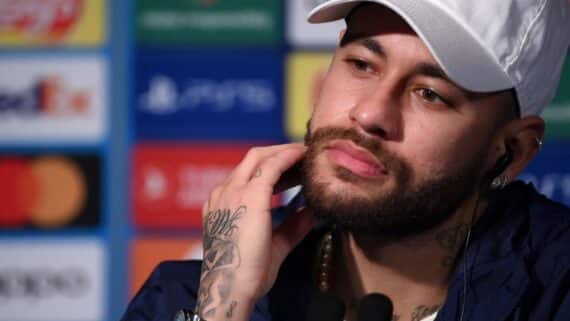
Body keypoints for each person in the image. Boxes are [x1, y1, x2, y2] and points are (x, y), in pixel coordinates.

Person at [121, 1, 570, 321]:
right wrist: (225, 307)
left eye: (430, 95)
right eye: (361, 65)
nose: (371, 113)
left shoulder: (555, 291)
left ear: (511, 150)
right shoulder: (191, 296)